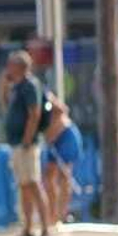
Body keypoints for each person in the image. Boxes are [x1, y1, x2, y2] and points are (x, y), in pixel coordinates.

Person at [0, 49, 52, 236]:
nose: (7, 68)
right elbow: (5, 105)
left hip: (26, 145)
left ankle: (45, 228)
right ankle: (27, 228)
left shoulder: (30, 85)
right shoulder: (17, 87)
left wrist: (27, 140)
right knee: (23, 186)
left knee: (34, 184)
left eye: (10, 64)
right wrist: (4, 85)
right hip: (17, 143)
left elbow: (34, 113)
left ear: (20, 66)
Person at [41, 91, 82, 225]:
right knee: (48, 177)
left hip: (65, 136)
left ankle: (62, 214)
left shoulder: (45, 98)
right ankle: (52, 215)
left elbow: (63, 109)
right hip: (53, 142)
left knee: (64, 176)